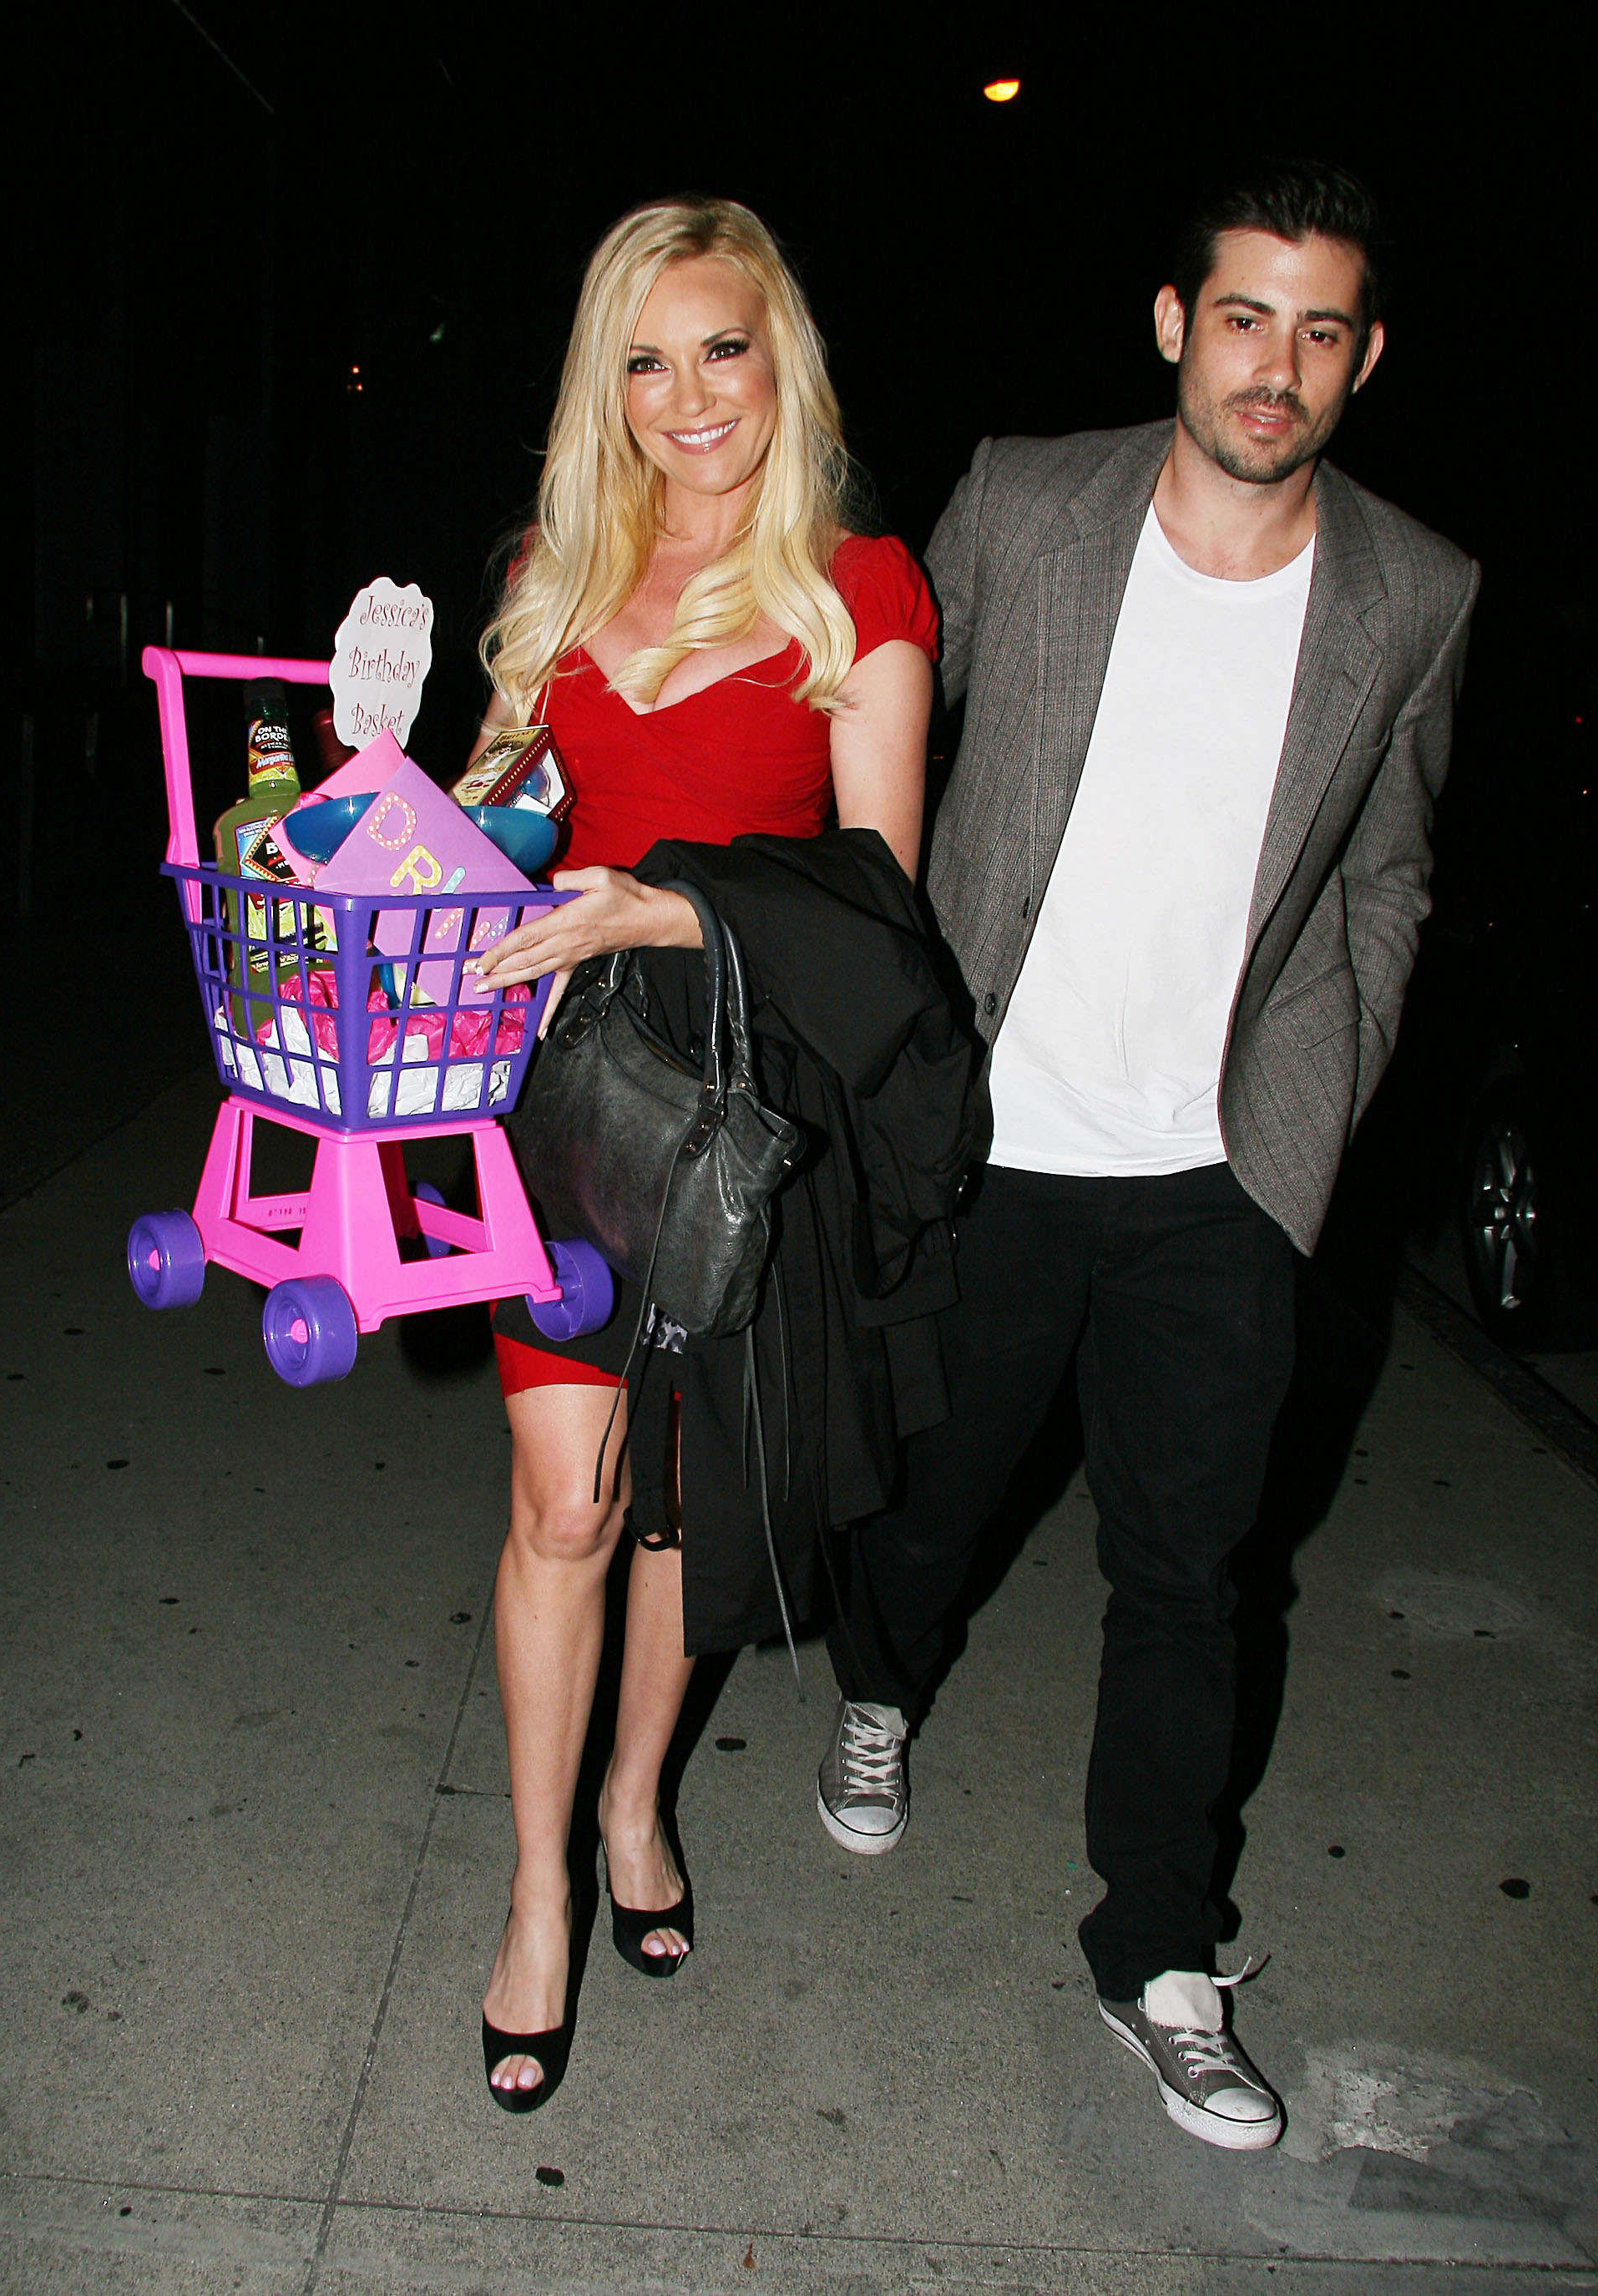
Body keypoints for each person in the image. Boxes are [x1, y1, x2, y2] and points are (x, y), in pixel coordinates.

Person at [817, 161, 1479, 2150]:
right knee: (931, 1496)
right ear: (1175, 322)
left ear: (1364, 357)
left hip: (1219, 1175)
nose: (1278, 365)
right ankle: (878, 1678)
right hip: (999, 1129)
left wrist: (1318, 1099)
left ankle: (1158, 1953)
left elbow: (1389, 870)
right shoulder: (1025, 502)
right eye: (1245, 317)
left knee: (1190, 1573)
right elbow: (883, 735)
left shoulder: (1414, 592)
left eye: (1320, 330)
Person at [463, 196, 943, 2110]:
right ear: (607, 384)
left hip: (737, 1098)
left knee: (679, 1502)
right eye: (644, 360)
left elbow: (882, 895)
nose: (686, 397)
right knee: (563, 1503)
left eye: (720, 347)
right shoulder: (552, 574)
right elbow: (491, 821)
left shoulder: (857, 585)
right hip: (556, 1090)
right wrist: (383, 805)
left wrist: (660, 904)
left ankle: (635, 1803)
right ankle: (536, 1891)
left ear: (778, 355)